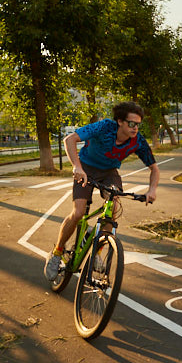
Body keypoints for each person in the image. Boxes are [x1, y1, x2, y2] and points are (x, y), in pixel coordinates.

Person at [44, 101, 159, 281]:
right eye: (132, 123)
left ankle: (96, 251)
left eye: (138, 124)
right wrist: (77, 167)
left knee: (112, 210)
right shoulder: (105, 127)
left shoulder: (138, 141)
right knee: (78, 212)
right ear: (120, 121)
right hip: (86, 168)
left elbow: (154, 168)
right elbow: (70, 140)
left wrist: (152, 190)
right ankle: (57, 253)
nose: (135, 128)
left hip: (109, 173)